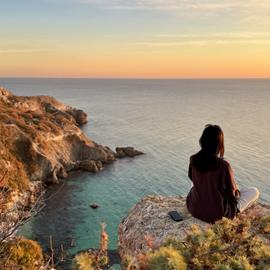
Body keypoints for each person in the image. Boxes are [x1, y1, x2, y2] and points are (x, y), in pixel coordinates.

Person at [186, 124, 260, 223]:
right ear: (219, 144)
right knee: (254, 191)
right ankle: (235, 212)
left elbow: (191, 178)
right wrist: (235, 192)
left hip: (194, 209)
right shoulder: (223, 165)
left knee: (195, 184)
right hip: (217, 214)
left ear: (202, 140)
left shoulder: (193, 159)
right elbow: (233, 194)